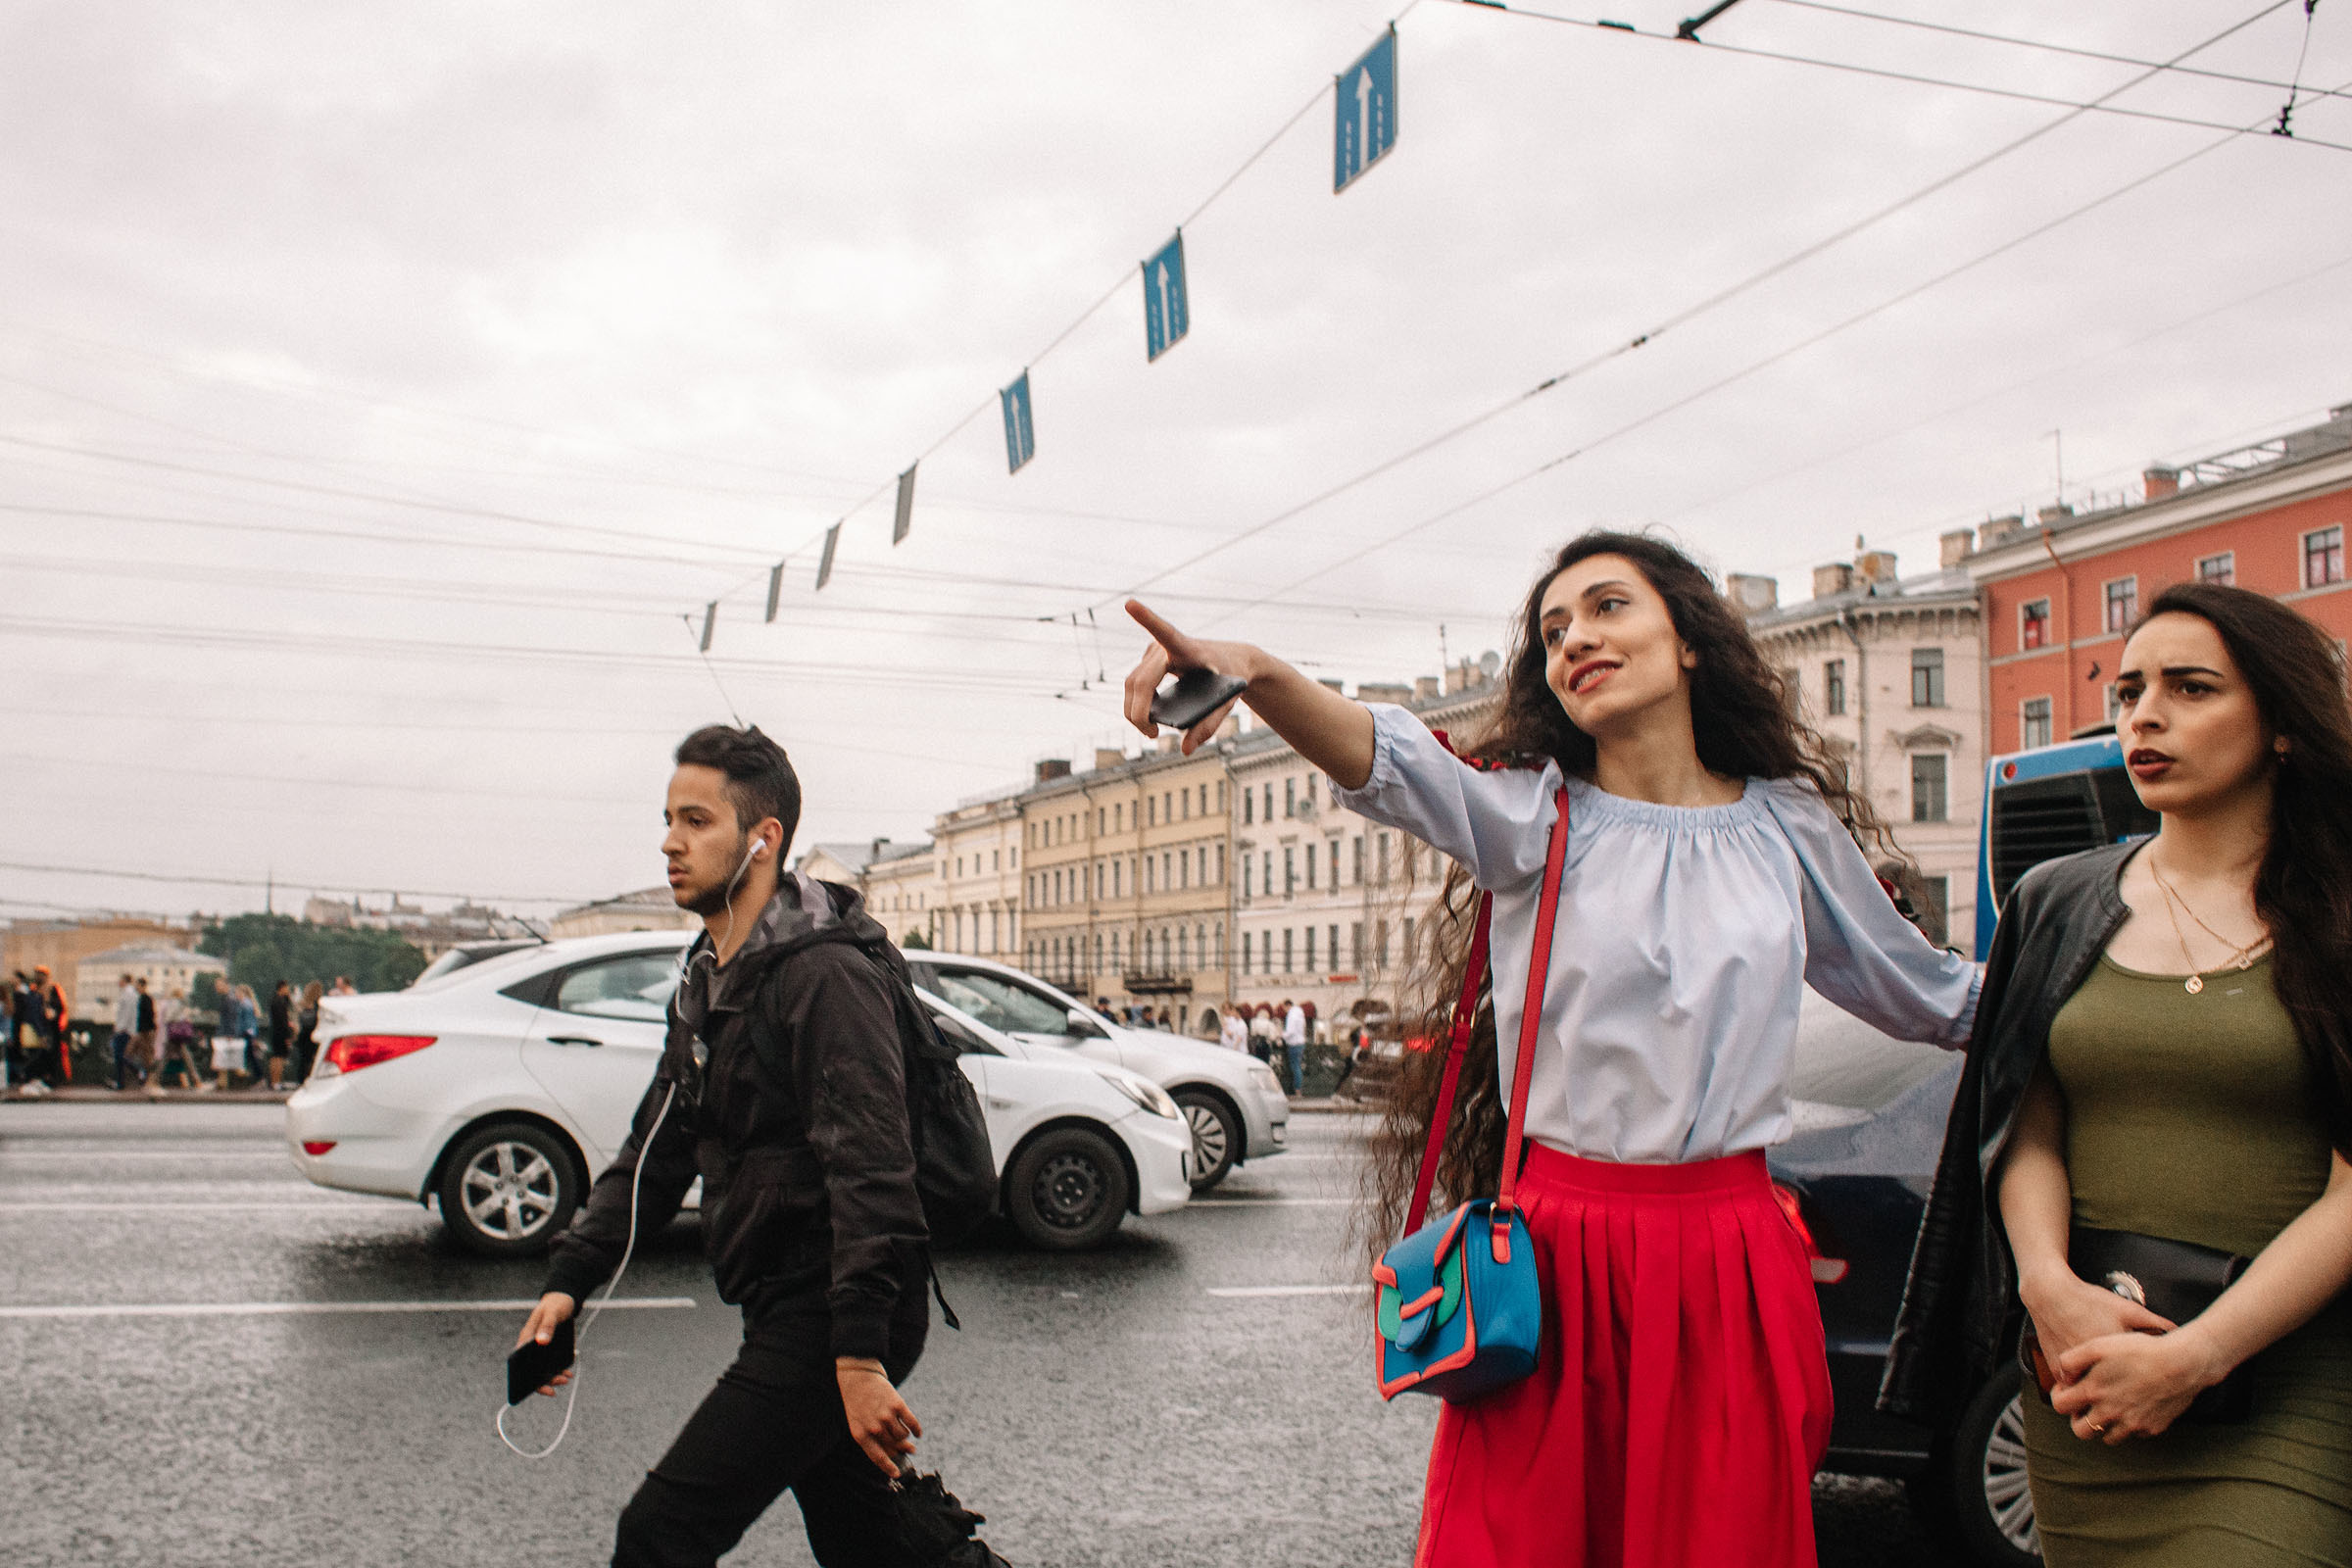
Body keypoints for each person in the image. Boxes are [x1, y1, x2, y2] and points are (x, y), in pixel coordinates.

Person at [1122, 531, 1977, 1566]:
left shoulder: (1786, 827)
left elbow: (1930, 994)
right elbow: (1383, 756)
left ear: (1691, 640)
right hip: (1563, 1255)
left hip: (1733, 1259)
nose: (1575, 638)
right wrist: (1255, 670)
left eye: (1608, 607)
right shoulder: (1534, 813)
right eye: (1554, 630)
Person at [1886, 583, 2352, 1565]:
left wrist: (2198, 1354)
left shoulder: (2339, 913)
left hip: (2289, 1390)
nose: (2145, 713)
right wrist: (2048, 1289)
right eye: (2131, 689)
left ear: (2281, 726)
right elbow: (2023, 1128)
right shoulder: (2055, 900)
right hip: (2084, 1382)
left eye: (2190, 689)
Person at [514, 723, 1004, 1568]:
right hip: (783, 1298)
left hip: (837, 1310)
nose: (671, 842)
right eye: (669, 818)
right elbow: (658, 1148)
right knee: (874, 1544)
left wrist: (856, 1356)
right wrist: (570, 1281)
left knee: (661, 1534)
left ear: (763, 837)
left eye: (697, 821)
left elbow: (873, 1169)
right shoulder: (713, 973)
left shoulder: (823, 975)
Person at [129, 977, 159, 1095]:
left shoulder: (146, 998)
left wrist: (150, 1031)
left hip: (145, 1032)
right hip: (142, 1031)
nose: (136, 987)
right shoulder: (142, 998)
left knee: (147, 1057)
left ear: (142, 986)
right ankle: (144, 1078)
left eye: (137, 985)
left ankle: (150, 1081)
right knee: (137, 1055)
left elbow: (150, 1016)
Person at [110, 973, 139, 1091]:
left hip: (124, 1030)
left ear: (125, 981)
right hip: (127, 1029)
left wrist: (120, 1027)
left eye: (120, 980)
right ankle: (124, 1080)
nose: (118, 982)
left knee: (120, 1056)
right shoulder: (131, 993)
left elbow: (126, 1014)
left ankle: (124, 1080)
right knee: (122, 1056)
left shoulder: (128, 994)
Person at [292, 980, 322, 1084]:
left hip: (304, 1034)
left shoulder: (302, 1003)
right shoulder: (319, 1003)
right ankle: (315, 1079)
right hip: (315, 1033)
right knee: (317, 1058)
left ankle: (301, 1080)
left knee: (304, 1059)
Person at [1280, 999, 1306, 1097]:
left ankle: (1297, 1091)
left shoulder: (1291, 1015)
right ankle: (1298, 1090)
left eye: (1284, 1008)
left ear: (1287, 1005)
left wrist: (1281, 1035)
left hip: (1294, 1044)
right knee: (1297, 1067)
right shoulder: (1300, 1014)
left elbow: (1290, 1031)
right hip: (1301, 1043)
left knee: (1295, 1068)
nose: (1284, 1010)